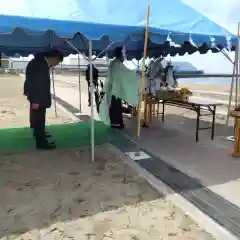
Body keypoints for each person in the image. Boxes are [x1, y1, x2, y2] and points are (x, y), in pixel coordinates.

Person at [24, 50, 64, 150]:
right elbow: (38, 83)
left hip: (36, 97)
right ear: (54, 58)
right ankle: (41, 143)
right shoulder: (40, 64)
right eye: (57, 62)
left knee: (38, 120)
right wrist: (36, 100)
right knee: (39, 120)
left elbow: (30, 80)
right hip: (38, 98)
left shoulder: (38, 62)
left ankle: (40, 136)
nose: (55, 65)